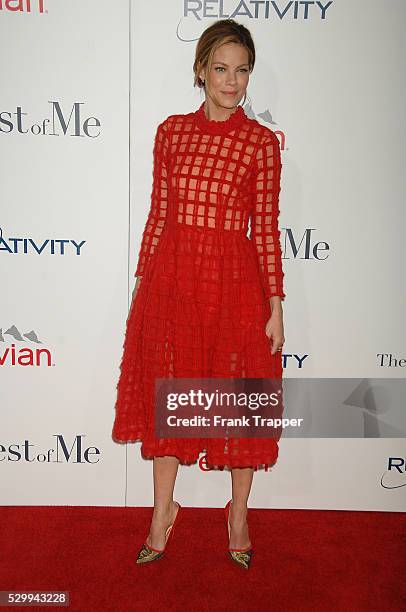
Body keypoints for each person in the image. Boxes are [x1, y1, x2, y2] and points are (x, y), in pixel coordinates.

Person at [112, 18, 286, 569]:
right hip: (173, 284)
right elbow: (159, 215)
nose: (231, 82)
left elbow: (267, 228)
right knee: (171, 401)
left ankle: (237, 514)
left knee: (239, 406)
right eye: (220, 69)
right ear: (201, 70)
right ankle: (163, 510)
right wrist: (143, 285)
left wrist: (275, 307)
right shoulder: (171, 132)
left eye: (241, 71)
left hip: (236, 289)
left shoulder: (260, 144)